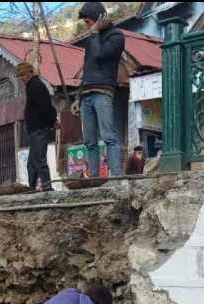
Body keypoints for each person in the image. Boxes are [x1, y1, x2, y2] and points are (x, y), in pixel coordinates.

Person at [73, 2, 124, 178]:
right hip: (86, 94)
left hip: (103, 92)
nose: (87, 27)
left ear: (98, 19)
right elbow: (87, 67)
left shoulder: (116, 36)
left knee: (109, 136)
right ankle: (94, 178)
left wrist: (94, 33)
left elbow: (99, 55)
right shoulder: (92, 39)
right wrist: (78, 97)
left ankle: (116, 176)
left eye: (88, 22)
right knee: (90, 142)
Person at [18, 62, 57, 192]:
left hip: (39, 128)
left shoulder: (36, 86)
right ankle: (32, 187)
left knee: (39, 159)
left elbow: (46, 107)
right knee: (32, 162)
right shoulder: (31, 86)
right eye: (20, 75)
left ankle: (47, 186)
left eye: (23, 74)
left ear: (30, 73)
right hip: (34, 129)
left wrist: (52, 122)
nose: (22, 78)